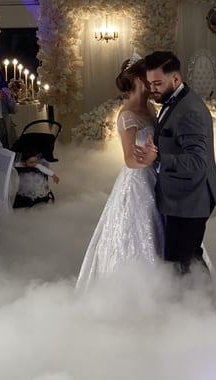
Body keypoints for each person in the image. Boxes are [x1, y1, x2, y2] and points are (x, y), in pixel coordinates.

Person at [77, 55, 163, 291]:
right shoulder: (127, 114)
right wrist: (150, 158)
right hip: (138, 181)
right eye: (149, 75)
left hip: (157, 176)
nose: (154, 79)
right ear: (138, 78)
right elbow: (129, 159)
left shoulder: (150, 108)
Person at [134, 51, 216, 275]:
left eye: (157, 84)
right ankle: (205, 297)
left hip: (190, 200)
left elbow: (197, 161)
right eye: (149, 83)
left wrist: (158, 157)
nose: (152, 89)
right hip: (185, 196)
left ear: (175, 79)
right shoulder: (175, 99)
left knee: (180, 265)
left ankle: (200, 298)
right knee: (188, 261)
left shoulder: (189, 110)